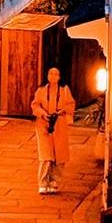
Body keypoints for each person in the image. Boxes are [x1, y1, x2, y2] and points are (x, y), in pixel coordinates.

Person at [31, 65, 75, 194]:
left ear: (60, 77)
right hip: (44, 124)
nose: (53, 77)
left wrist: (62, 111)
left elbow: (71, 105)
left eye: (56, 74)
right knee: (46, 155)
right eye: (51, 74)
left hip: (59, 124)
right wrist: (43, 114)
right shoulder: (41, 90)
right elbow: (35, 105)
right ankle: (43, 182)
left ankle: (55, 181)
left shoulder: (64, 90)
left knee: (59, 155)